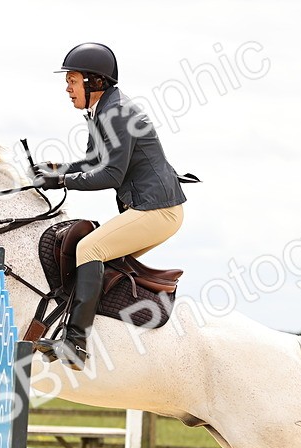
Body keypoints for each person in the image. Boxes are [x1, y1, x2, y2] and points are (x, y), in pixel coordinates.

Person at [32, 42, 188, 369]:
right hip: (151, 209)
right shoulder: (101, 110)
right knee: (98, 260)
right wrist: (58, 170)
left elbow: (111, 174)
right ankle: (97, 336)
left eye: (72, 80)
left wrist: (61, 181)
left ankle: (75, 344)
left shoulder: (117, 113)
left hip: (156, 211)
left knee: (88, 249)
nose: (66, 88)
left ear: (94, 82)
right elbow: (92, 160)